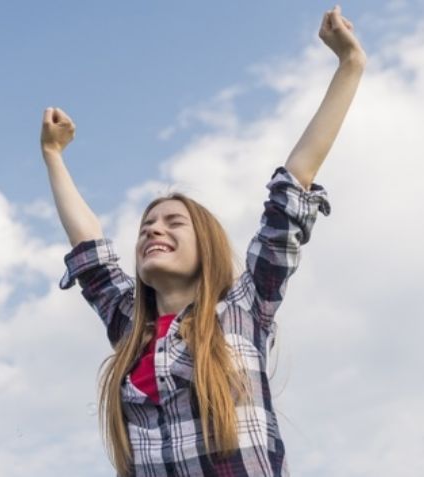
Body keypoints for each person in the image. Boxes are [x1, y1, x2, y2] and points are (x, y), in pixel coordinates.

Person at [40, 5, 365, 476]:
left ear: (206, 246)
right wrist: (52, 154)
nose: (153, 230)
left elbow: (295, 183)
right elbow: (90, 252)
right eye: (146, 226)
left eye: (174, 223)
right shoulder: (130, 326)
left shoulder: (244, 307)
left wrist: (349, 65)